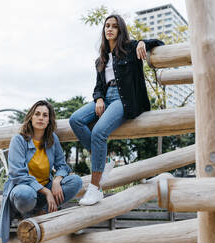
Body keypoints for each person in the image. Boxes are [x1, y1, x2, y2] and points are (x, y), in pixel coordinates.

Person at [69, 14, 164, 206]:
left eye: (114, 26)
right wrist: (99, 98)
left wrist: (143, 43)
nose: (110, 29)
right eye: (107, 26)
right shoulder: (100, 59)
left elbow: (159, 42)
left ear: (120, 30)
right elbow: (98, 87)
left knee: (98, 132)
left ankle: (95, 189)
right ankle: (103, 162)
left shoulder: (130, 49)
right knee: (75, 120)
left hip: (124, 99)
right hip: (106, 98)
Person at [0, 100, 83, 243]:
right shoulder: (18, 140)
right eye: (37, 114)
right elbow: (18, 175)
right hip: (23, 191)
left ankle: (41, 213)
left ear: (49, 120)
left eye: (45, 115)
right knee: (25, 194)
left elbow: (62, 165)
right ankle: (26, 214)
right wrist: (47, 192)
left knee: (76, 182)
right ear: (31, 117)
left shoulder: (52, 139)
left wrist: (57, 180)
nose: (41, 118)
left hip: (44, 192)